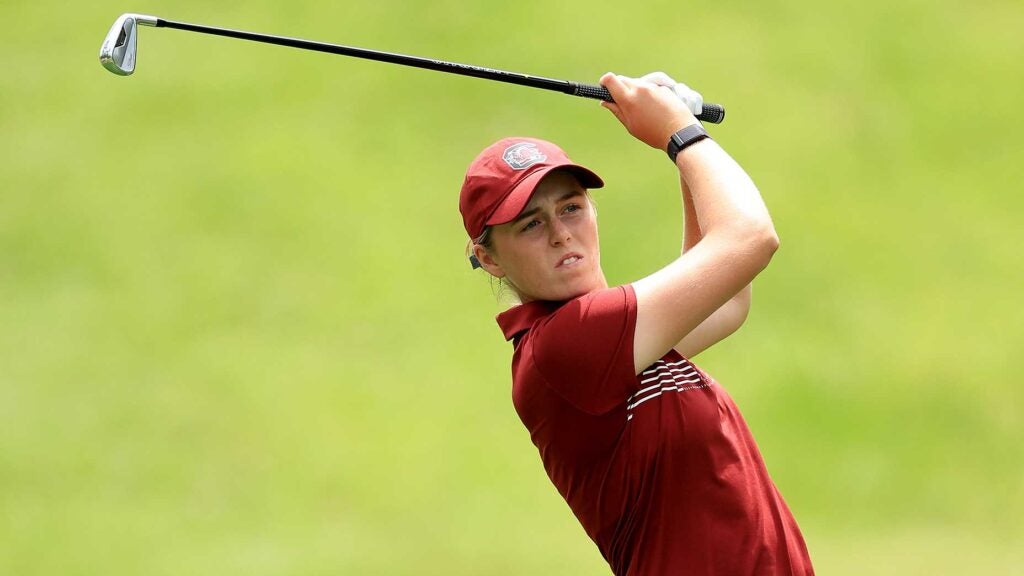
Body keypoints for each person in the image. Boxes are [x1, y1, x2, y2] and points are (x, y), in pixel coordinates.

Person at [458, 71, 814, 575]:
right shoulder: (568, 346)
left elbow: (726, 300)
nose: (562, 234)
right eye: (532, 224)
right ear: (489, 259)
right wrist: (679, 132)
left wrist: (682, 133)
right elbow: (749, 237)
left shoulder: (610, 344)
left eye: (572, 207)